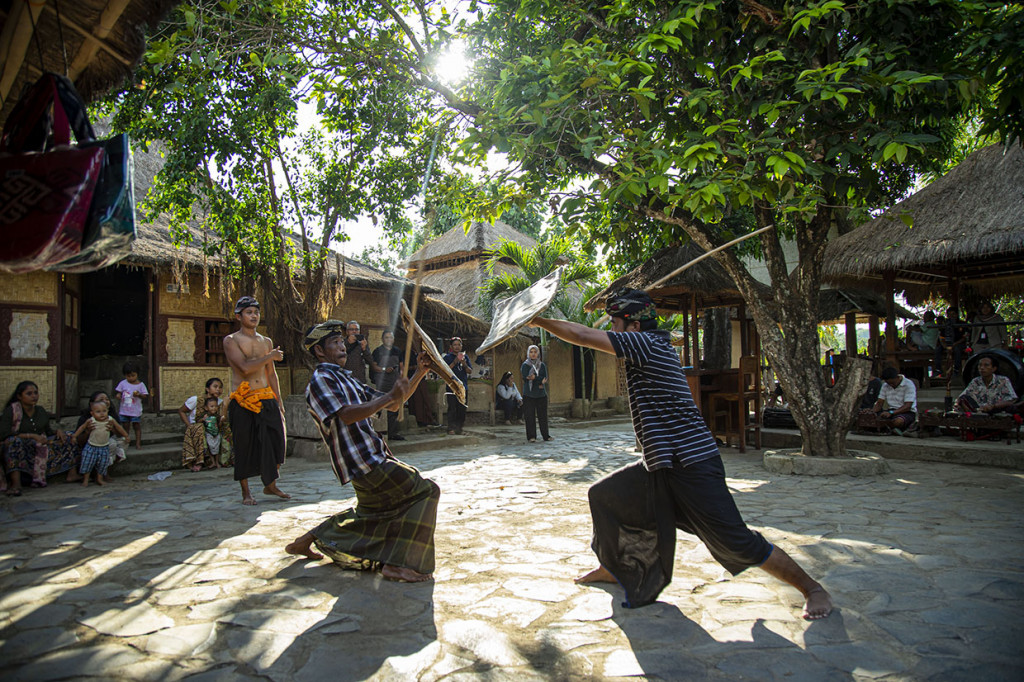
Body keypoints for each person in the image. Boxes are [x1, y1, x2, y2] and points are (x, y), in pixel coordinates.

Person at [527, 289, 832, 619]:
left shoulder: (647, 344)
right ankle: (613, 568)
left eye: (615, 323)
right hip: (660, 463)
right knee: (604, 496)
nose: (612, 330)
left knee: (737, 541)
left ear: (633, 326)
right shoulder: (648, 345)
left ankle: (812, 588)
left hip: (692, 463)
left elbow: (582, 335)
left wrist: (537, 319)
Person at [284, 320, 440, 583]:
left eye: (342, 342)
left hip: (372, 458)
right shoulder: (320, 381)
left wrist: (419, 373)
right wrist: (390, 396)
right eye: (335, 343)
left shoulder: (347, 379)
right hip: (364, 462)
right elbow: (346, 415)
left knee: (372, 514)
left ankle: (306, 540)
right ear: (319, 351)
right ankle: (401, 565)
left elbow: (392, 404)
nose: (342, 347)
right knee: (426, 491)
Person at [223, 296, 290, 505]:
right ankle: (246, 492)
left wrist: (279, 400)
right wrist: (270, 356)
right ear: (238, 316)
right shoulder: (231, 340)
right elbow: (244, 368)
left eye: (256, 312)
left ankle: (270, 484)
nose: (254, 316)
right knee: (244, 444)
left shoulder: (266, 342)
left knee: (277, 441)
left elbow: (271, 374)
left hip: (266, 397)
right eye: (249, 312)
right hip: (243, 399)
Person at [0, 381, 77, 496]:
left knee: (70, 436)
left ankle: (72, 474)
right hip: (19, 448)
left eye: (36, 393)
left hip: (39, 446)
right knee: (13, 442)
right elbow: (4, 434)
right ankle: (16, 483)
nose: (34, 396)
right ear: (19, 396)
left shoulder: (40, 410)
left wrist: (58, 431)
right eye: (29, 393)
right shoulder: (12, 410)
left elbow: (48, 431)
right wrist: (31, 436)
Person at [68, 391, 125, 483]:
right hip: (91, 444)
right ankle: (89, 477)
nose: (105, 401)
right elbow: (79, 439)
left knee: (119, 442)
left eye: (107, 399)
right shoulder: (88, 419)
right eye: (101, 400)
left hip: (105, 443)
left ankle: (105, 472)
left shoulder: (111, 417)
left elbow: (120, 433)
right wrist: (87, 432)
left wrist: (113, 429)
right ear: (92, 405)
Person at [179, 378, 229, 472]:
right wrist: (189, 425)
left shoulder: (220, 402)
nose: (218, 389)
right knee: (200, 427)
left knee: (227, 428)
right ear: (207, 389)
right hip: (197, 427)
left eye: (220, 387)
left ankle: (226, 459)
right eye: (215, 387)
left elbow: (222, 420)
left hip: (212, 428)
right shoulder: (195, 400)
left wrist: (225, 406)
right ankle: (198, 461)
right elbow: (181, 411)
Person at [371, 329, 405, 441]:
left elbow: (401, 366)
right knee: (380, 406)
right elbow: (374, 366)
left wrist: (401, 377)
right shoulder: (377, 351)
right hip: (382, 382)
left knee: (394, 407)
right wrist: (384, 369)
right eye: (386, 337)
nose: (389, 339)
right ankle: (378, 432)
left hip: (395, 382)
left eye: (391, 337)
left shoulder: (397, 351)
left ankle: (393, 433)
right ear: (382, 339)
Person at [870, 367, 918, 435]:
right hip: (891, 411)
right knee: (873, 419)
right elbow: (879, 403)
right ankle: (891, 428)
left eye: (892, 383)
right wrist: (871, 412)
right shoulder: (885, 385)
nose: (891, 385)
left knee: (898, 421)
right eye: (889, 383)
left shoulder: (908, 384)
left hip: (907, 412)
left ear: (897, 377)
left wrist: (891, 412)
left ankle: (889, 428)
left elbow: (908, 406)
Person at [521, 344, 551, 442]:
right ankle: (531, 437)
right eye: (531, 352)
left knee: (543, 416)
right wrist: (538, 379)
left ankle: (546, 436)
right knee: (529, 416)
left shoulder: (542, 365)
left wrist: (535, 378)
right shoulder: (525, 365)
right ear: (528, 353)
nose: (533, 354)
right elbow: (526, 376)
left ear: (538, 353)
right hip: (529, 394)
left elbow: (544, 377)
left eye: (535, 352)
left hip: (541, 394)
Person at [115, 362, 149, 449]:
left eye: (133, 375)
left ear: (137, 374)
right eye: (128, 376)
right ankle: (126, 442)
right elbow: (119, 392)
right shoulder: (123, 383)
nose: (130, 378)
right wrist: (118, 395)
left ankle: (138, 443)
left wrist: (139, 395)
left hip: (135, 411)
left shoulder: (141, 385)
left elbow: (145, 396)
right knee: (125, 426)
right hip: (124, 410)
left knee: (136, 426)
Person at [443, 337, 471, 435]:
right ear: (451, 346)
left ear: (461, 346)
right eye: (455, 345)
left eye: (459, 345)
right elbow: (445, 370)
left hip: (463, 387)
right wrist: (455, 361)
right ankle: (451, 428)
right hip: (451, 386)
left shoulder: (465, 357)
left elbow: (470, 371)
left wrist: (464, 363)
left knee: (462, 409)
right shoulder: (447, 357)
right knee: (452, 408)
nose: (457, 347)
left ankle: (459, 429)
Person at [934, 307, 967, 378]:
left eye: (953, 314)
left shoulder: (962, 324)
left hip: (958, 343)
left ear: (957, 314)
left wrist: (954, 344)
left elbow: (964, 337)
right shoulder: (945, 324)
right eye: (949, 314)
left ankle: (956, 370)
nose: (951, 316)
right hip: (947, 343)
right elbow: (942, 337)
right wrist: (945, 346)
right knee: (938, 350)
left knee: (957, 350)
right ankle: (938, 369)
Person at [201, 397, 225, 466]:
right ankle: (213, 462)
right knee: (210, 447)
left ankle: (217, 462)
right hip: (208, 433)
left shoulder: (217, 416)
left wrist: (221, 421)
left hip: (216, 433)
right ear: (206, 408)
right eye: (212, 406)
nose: (214, 408)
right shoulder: (205, 415)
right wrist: (203, 419)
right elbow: (199, 421)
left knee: (217, 447)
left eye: (216, 406)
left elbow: (219, 425)